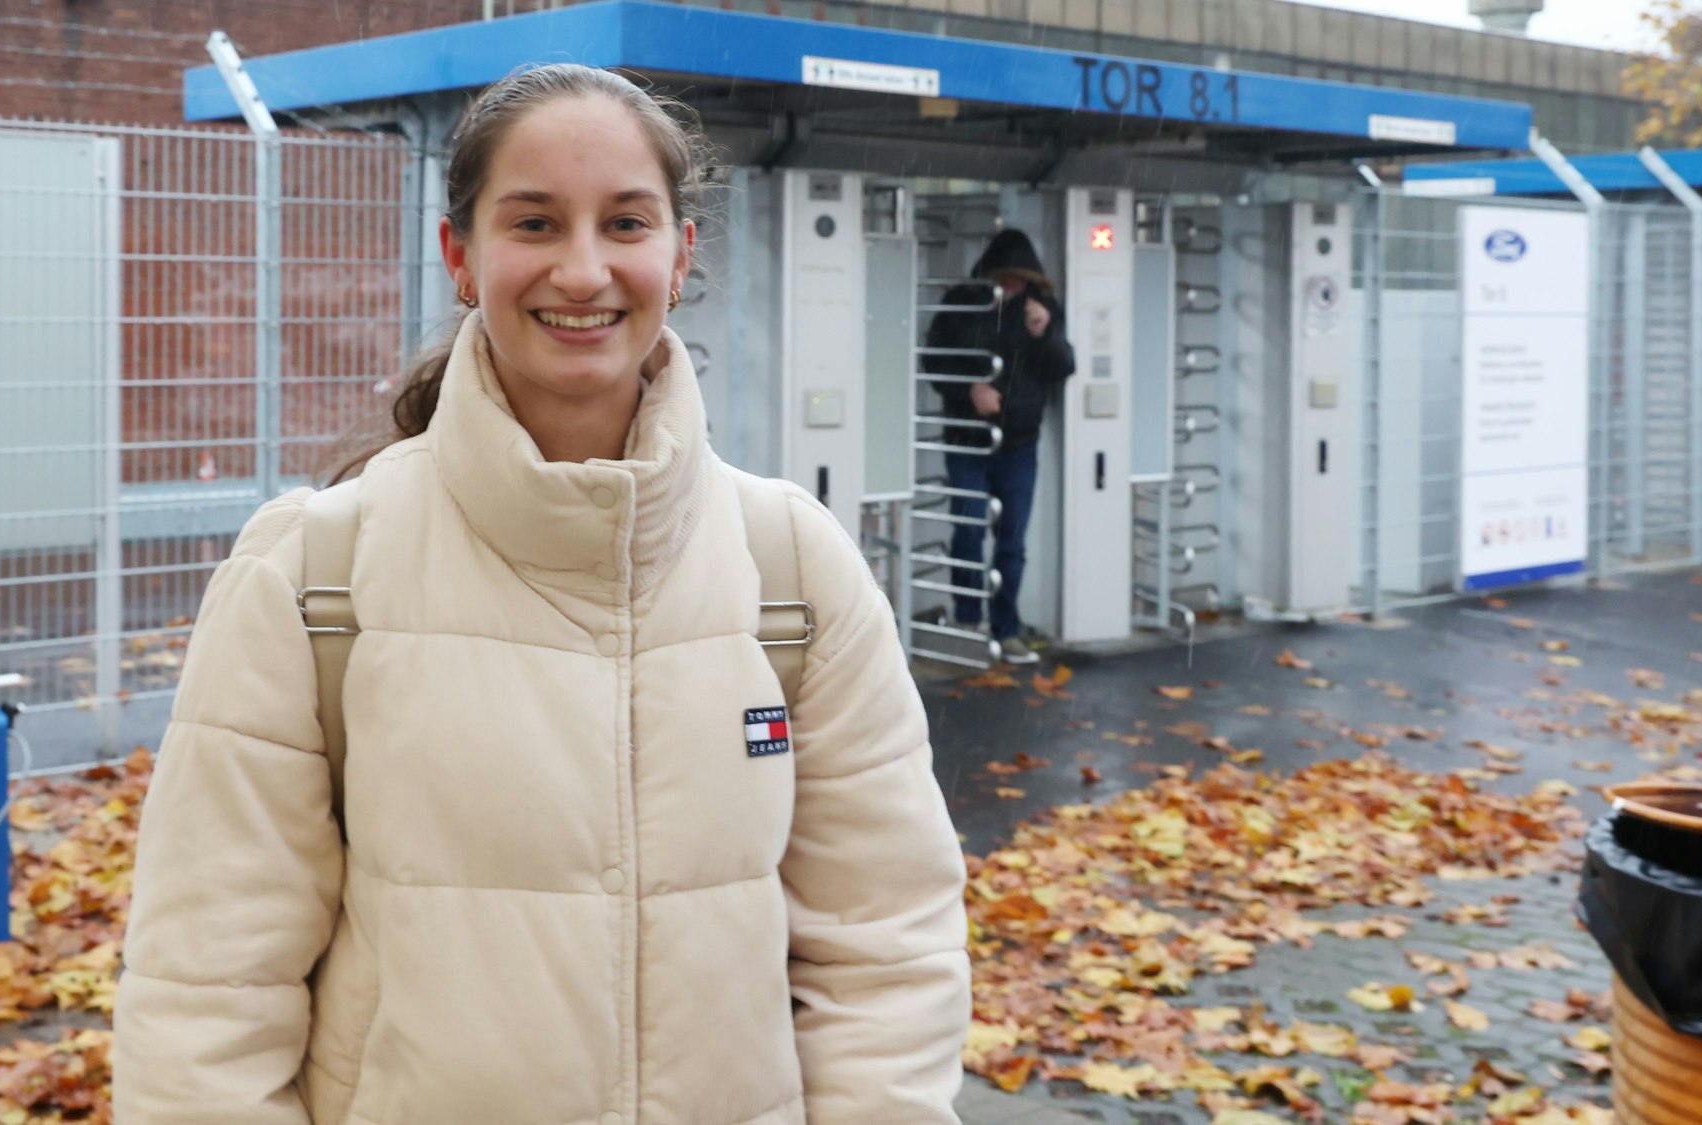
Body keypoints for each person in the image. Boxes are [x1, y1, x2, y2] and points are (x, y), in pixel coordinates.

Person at [112, 64, 970, 1124]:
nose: (581, 269)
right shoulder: (309, 576)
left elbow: (886, 946)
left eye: (624, 223)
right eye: (533, 222)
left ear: (679, 253)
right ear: (460, 257)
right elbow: (206, 996)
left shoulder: (790, 567)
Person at [925, 230, 1075, 665]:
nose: (1011, 287)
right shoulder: (962, 302)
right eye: (1005, 278)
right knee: (968, 531)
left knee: (1012, 542)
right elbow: (934, 361)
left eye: (1019, 280)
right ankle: (969, 622)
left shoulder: (1042, 311)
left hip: (1019, 444)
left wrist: (1044, 332)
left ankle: (1006, 628)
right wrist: (969, 389)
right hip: (966, 439)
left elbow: (1064, 367)